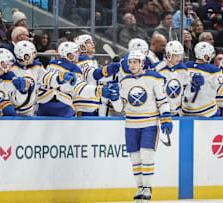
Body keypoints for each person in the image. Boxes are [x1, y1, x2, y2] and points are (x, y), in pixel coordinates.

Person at [106, 49, 173, 203]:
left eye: (135, 62)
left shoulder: (154, 78)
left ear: (142, 63)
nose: (132, 65)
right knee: (135, 157)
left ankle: (148, 188)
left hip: (149, 122)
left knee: (146, 154)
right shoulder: (124, 81)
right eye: (130, 62)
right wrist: (115, 98)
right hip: (131, 123)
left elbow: (162, 101)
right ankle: (140, 188)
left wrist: (166, 117)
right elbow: (119, 108)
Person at [74, 34, 119, 116]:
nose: (93, 44)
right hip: (84, 105)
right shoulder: (81, 59)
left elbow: (93, 81)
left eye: (92, 42)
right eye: (88, 42)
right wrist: (108, 69)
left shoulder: (91, 60)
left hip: (90, 105)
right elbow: (92, 74)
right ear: (82, 47)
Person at [182, 42, 222, 117]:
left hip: (185, 111)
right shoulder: (213, 70)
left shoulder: (186, 66)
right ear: (206, 56)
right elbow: (221, 91)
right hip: (206, 112)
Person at [151, 41, 189, 116]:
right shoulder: (157, 68)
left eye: (180, 55)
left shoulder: (183, 68)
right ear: (168, 55)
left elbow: (186, 90)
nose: (179, 58)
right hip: (160, 113)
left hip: (177, 112)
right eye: (176, 55)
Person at [10, 40, 46, 116]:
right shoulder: (12, 68)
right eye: (32, 54)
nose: (34, 56)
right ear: (26, 56)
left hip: (34, 108)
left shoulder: (37, 65)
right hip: (18, 108)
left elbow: (45, 80)